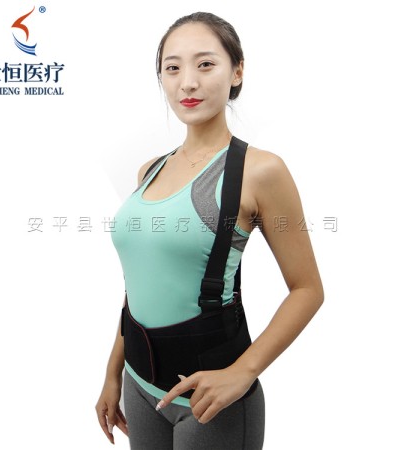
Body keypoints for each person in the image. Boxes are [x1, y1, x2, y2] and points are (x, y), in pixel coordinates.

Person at [95, 11, 324, 450]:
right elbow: (139, 286)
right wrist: (112, 373)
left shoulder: (259, 170)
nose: (188, 83)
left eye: (205, 64)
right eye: (173, 68)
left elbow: (307, 289)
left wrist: (243, 372)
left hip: (213, 400)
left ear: (237, 71)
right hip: (139, 386)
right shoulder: (149, 171)